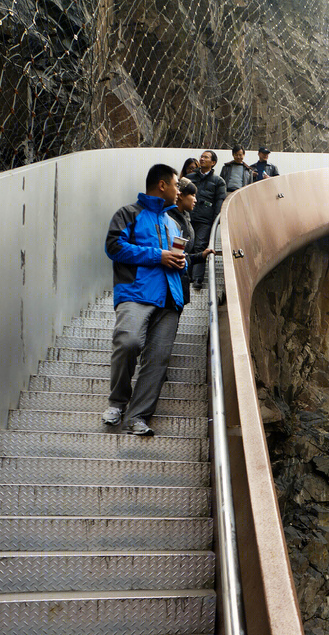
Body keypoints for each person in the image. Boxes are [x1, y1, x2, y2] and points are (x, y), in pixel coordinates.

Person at [101, 164, 185, 436]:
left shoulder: (173, 223)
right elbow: (114, 247)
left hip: (170, 299)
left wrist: (180, 262)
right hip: (136, 292)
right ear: (162, 185)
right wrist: (158, 255)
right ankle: (117, 402)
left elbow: (176, 261)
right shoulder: (128, 213)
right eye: (176, 185)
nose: (179, 190)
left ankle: (138, 417)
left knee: (157, 360)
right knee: (128, 342)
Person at [168, 177, 214, 306]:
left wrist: (201, 256)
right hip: (170, 287)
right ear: (181, 196)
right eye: (192, 195)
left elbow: (181, 255)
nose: (195, 199)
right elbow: (176, 257)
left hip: (179, 284)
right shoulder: (172, 221)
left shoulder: (185, 217)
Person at [186, 149, 225, 289]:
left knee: (200, 245)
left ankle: (197, 278)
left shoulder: (218, 181)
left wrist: (215, 220)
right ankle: (186, 276)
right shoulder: (190, 178)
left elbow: (219, 201)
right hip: (188, 217)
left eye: (206, 157)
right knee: (187, 245)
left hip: (205, 220)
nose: (202, 159)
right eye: (201, 156)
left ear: (213, 163)